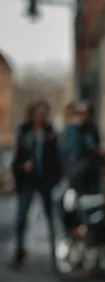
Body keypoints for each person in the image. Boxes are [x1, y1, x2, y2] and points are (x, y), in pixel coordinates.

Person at [11, 101, 62, 268]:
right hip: (27, 181)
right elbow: (16, 159)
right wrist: (22, 168)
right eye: (38, 114)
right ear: (32, 115)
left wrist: (55, 179)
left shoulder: (50, 132)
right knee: (21, 218)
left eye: (43, 114)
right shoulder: (24, 131)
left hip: (45, 181)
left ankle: (56, 255)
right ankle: (19, 252)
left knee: (51, 218)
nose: (41, 117)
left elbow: (57, 159)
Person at [60, 101, 104, 195]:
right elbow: (67, 152)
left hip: (90, 174)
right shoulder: (72, 130)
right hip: (74, 175)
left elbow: (94, 147)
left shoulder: (92, 129)